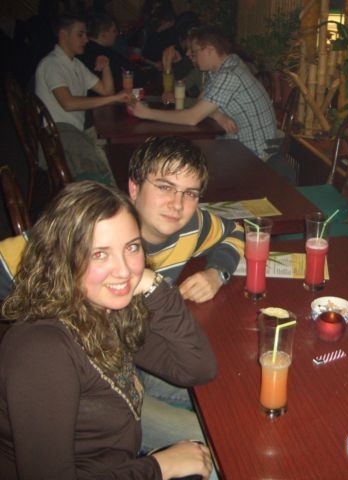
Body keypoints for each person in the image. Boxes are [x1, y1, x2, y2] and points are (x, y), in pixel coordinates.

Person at [0, 136, 245, 453]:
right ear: (134, 187)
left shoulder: (193, 225)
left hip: (132, 349)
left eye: (189, 193)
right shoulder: (83, 229)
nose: (177, 204)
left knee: (232, 389)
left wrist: (216, 273)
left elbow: (235, 232)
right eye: (165, 187)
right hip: (85, 385)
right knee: (217, 439)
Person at [131, 25, 277, 161]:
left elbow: (192, 117)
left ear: (209, 50)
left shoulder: (229, 75)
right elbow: (200, 103)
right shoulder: (224, 67)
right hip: (238, 143)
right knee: (186, 155)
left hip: (256, 153)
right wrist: (216, 114)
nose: (189, 54)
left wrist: (147, 113)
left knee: (186, 159)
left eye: (194, 51)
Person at [34, 12, 129, 183]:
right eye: (80, 34)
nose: (86, 39)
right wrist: (114, 98)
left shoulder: (76, 65)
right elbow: (68, 103)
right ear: (63, 35)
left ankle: (111, 190)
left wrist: (106, 66)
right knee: (98, 167)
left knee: (114, 152)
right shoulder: (52, 64)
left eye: (85, 34)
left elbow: (106, 91)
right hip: (56, 134)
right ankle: (100, 195)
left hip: (76, 131)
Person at [79, 11, 145, 92]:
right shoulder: (110, 55)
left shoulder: (80, 52)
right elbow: (137, 77)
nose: (116, 34)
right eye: (114, 31)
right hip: (111, 97)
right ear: (104, 34)